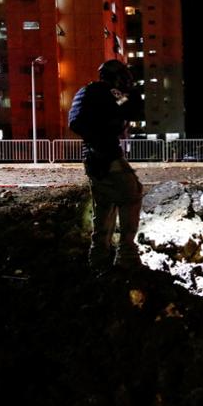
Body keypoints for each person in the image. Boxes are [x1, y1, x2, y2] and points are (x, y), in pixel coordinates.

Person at [68, 59, 144, 269]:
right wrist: (102, 137)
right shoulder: (111, 93)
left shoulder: (86, 92)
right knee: (132, 194)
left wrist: (94, 137)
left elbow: (74, 121)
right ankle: (126, 254)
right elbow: (132, 109)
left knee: (104, 205)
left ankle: (99, 256)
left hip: (92, 157)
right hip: (107, 155)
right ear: (116, 77)